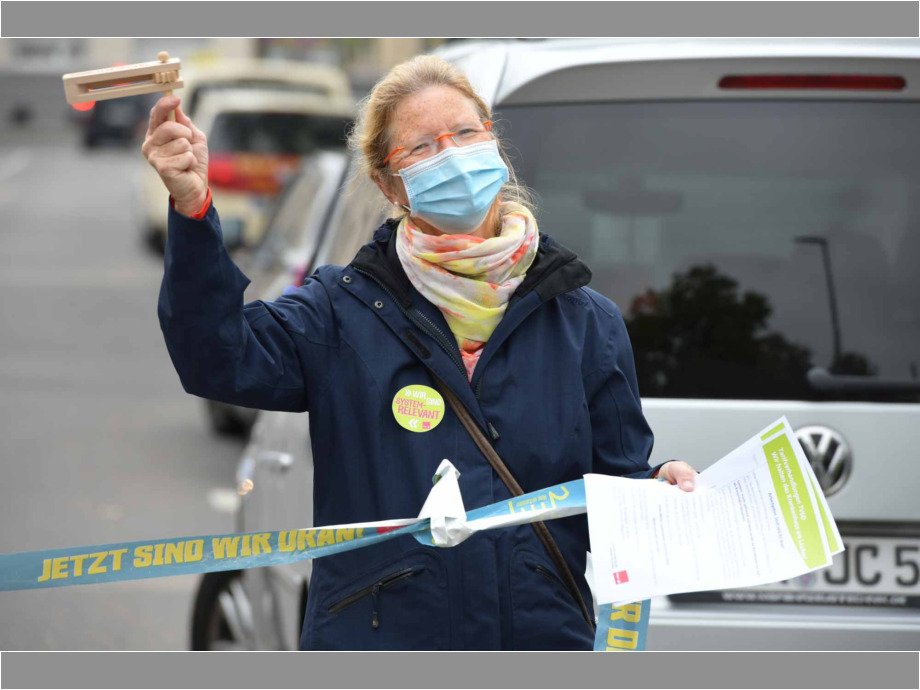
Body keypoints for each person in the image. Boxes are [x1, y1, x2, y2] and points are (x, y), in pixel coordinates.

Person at [144, 55, 698, 651]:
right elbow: (218, 358)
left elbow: (617, 487)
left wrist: (656, 485)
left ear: (492, 141)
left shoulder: (586, 321)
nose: (452, 156)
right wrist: (193, 211)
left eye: (464, 133)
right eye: (424, 148)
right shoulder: (341, 312)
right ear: (389, 183)